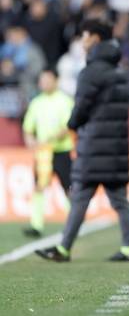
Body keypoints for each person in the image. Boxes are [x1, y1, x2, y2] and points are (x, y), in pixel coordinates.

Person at [36, 18, 129, 262]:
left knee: (79, 197)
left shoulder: (90, 72)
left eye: (85, 36)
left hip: (93, 146)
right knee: (120, 200)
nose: (82, 42)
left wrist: (71, 124)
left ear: (96, 39)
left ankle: (64, 249)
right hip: (115, 147)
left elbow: (81, 108)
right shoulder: (119, 70)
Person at [22, 69, 74, 238]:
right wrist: (30, 139)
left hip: (61, 151)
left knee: (68, 188)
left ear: (56, 81)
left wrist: (49, 139)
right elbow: (28, 127)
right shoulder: (36, 102)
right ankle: (36, 225)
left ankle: (73, 222)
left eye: (48, 80)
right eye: (42, 80)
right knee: (39, 187)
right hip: (43, 154)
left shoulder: (65, 101)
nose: (44, 83)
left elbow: (68, 126)